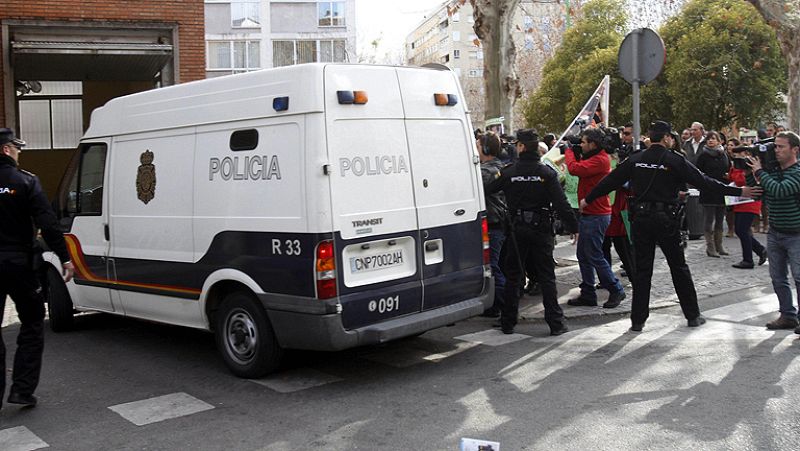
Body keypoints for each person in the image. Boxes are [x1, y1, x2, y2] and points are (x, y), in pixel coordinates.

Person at [581, 121, 761, 332]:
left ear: (650, 137)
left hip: (640, 219)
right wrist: (739, 192)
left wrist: (589, 199)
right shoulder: (674, 160)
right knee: (678, 267)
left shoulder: (636, 159)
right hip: (666, 219)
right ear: (666, 138)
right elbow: (704, 182)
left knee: (642, 270)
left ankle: (638, 320)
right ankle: (692, 315)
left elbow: (609, 181)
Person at [0, 128, 74, 408]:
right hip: (20, 265)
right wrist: (64, 257)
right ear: (7, 150)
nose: (19, 153)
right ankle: (21, 389)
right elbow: (48, 223)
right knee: (32, 323)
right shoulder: (26, 181)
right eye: (16, 148)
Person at [485, 129, 578, 335]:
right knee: (546, 277)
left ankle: (508, 322)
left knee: (513, 276)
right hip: (541, 229)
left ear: (521, 146)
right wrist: (574, 227)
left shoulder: (509, 171)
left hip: (517, 230)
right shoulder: (546, 173)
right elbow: (561, 204)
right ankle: (556, 323)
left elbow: (488, 189)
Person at [565, 128, 626, 308]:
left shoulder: (600, 160)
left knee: (594, 254)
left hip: (597, 214)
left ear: (593, 144)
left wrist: (569, 152)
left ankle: (616, 289)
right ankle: (588, 293)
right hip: (590, 213)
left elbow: (574, 169)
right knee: (583, 254)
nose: (581, 145)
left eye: (583, 142)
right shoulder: (594, 157)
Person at [746, 131, 800, 332]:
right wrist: (751, 168)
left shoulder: (797, 171)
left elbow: (779, 190)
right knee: (777, 277)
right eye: (774, 146)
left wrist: (760, 172)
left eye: (780, 147)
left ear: (795, 149)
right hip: (775, 232)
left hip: (796, 233)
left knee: (799, 276)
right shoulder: (772, 170)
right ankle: (787, 316)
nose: (776, 150)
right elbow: (755, 188)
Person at [477, 131, 507, 318]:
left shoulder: (486, 172)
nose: (476, 149)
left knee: (494, 267)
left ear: (486, 149)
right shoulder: (499, 167)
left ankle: (502, 307)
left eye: (478, 146)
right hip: (499, 223)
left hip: (494, 224)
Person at [728, 146, 767, 269]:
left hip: (750, 201)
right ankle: (761, 251)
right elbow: (731, 178)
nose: (738, 156)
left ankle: (748, 259)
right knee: (740, 230)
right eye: (735, 154)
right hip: (740, 202)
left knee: (742, 230)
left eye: (740, 153)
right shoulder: (736, 165)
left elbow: (742, 181)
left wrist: (740, 170)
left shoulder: (751, 164)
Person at [695, 131, 730, 257]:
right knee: (709, 219)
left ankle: (719, 245)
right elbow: (698, 173)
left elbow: (728, 169)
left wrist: (727, 177)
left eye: (713, 138)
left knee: (720, 219)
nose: (710, 141)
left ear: (719, 141)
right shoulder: (703, 156)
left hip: (721, 190)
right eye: (709, 139)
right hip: (708, 190)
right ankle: (710, 247)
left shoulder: (724, 155)